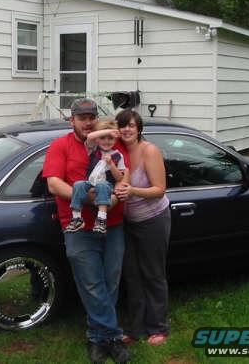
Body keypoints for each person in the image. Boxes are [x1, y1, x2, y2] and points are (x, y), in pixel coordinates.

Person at [43, 98, 131, 364]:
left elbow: (123, 179)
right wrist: (89, 200)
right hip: (77, 226)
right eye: (82, 117)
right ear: (72, 121)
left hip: (113, 224)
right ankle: (109, 338)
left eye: (91, 116)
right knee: (92, 284)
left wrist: (114, 198)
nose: (87, 121)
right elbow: (54, 185)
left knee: (110, 281)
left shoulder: (113, 146)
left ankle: (98, 335)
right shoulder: (60, 146)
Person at [114, 109, 171, 347]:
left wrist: (132, 191)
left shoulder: (149, 151)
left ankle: (158, 328)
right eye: (123, 125)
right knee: (132, 276)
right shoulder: (119, 152)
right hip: (128, 223)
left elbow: (159, 189)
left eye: (132, 126)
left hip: (153, 220)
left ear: (139, 129)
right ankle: (136, 329)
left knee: (153, 274)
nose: (127, 129)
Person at [67, 119, 128, 234]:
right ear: (98, 139)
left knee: (102, 185)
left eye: (110, 138)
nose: (106, 141)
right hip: (91, 182)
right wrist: (109, 131)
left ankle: (101, 219)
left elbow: (119, 177)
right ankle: (76, 217)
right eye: (103, 138)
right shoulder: (94, 149)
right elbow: (90, 137)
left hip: (107, 185)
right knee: (78, 184)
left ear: (115, 139)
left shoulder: (118, 156)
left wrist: (111, 165)